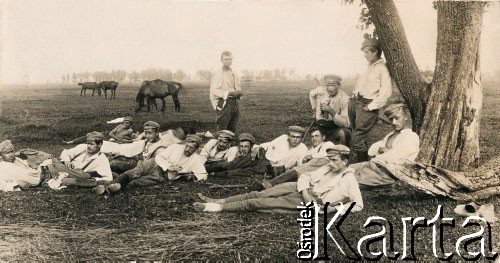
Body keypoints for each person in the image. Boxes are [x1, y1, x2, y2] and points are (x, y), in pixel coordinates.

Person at [194, 145, 363, 214]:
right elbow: (305, 176)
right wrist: (304, 191)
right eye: (330, 159)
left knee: (257, 203)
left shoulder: (349, 179)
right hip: (301, 189)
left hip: (312, 202)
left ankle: (212, 207)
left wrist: (334, 210)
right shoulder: (327, 167)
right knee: (257, 194)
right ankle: (218, 200)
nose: (330, 163)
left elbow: (358, 204)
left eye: (334, 160)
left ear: (345, 162)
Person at [351, 103, 419, 186]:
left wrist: (385, 151)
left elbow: (398, 157)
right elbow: (373, 150)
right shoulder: (391, 134)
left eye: (397, 118)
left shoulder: (411, 136)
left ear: (405, 117)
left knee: (351, 180)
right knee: (345, 169)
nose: (394, 122)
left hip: (385, 173)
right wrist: (383, 150)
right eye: (391, 119)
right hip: (373, 165)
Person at [348, 37, 393, 163]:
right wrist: (353, 98)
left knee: (357, 138)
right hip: (356, 102)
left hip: (367, 105)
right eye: (364, 52)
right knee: (357, 135)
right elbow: (361, 84)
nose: (364, 55)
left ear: (376, 52)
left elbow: (386, 92)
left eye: (368, 52)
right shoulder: (369, 66)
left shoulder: (382, 69)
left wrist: (371, 106)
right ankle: (364, 163)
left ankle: (362, 165)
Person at [260, 128, 335, 188]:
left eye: (317, 136)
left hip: (325, 166)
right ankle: (274, 183)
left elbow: (329, 154)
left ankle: (272, 182)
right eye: (312, 136)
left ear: (324, 137)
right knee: (299, 169)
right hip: (312, 170)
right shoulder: (310, 150)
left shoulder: (327, 144)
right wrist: (303, 160)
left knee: (315, 162)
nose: (314, 138)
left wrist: (311, 157)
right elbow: (301, 161)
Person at [45, 132, 113, 188]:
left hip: (77, 175)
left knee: (53, 165)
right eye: (87, 143)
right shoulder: (82, 147)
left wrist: (93, 180)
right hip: (65, 168)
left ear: (100, 144)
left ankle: (53, 174)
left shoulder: (102, 159)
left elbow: (108, 178)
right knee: (51, 160)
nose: (88, 146)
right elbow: (66, 153)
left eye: (91, 144)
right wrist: (67, 160)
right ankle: (54, 173)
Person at [309, 74, 351, 146]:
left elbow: (345, 123)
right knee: (317, 145)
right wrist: (314, 111)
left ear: (339, 86)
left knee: (344, 133)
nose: (330, 88)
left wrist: (331, 111)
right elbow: (311, 94)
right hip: (321, 125)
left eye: (333, 85)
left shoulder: (345, 99)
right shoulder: (321, 90)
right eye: (328, 85)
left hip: (335, 127)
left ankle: (343, 154)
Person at [210, 51, 243, 132]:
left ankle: (230, 144)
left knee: (232, 129)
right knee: (222, 130)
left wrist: (239, 94)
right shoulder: (218, 72)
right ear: (221, 60)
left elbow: (237, 87)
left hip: (234, 103)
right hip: (224, 102)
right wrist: (229, 93)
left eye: (230, 59)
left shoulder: (234, 72)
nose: (228, 61)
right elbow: (214, 90)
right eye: (226, 59)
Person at [62, 117, 137, 145]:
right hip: (107, 135)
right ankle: (70, 142)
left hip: (110, 139)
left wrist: (126, 139)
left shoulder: (130, 130)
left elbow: (126, 138)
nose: (125, 124)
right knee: (90, 134)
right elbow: (111, 133)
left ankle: (82, 144)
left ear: (131, 124)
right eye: (124, 122)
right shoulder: (120, 126)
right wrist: (117, 138)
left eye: (127, 123)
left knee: (94, 138)